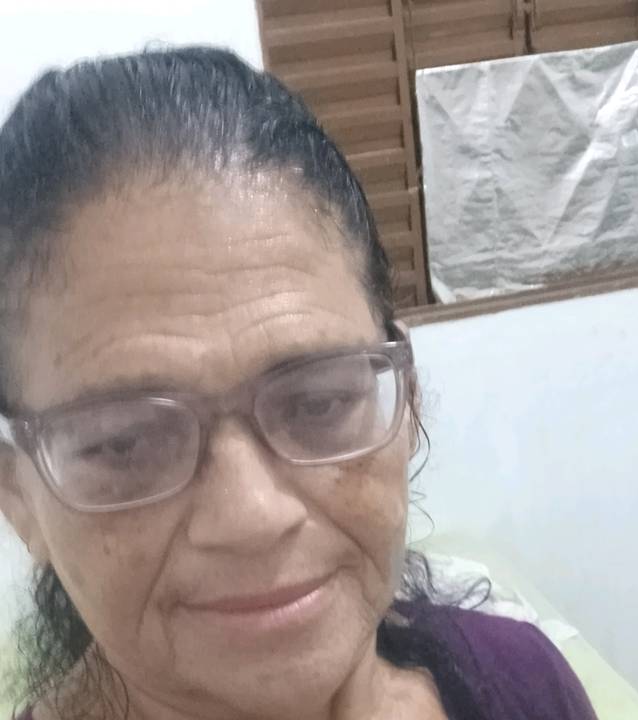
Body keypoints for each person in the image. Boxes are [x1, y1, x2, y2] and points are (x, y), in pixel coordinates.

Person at [0, 47, 597, 720]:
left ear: (406, 403)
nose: (252, 518)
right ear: (18, 495)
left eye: (318, 403)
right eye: (126, 443)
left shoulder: (522, 684)